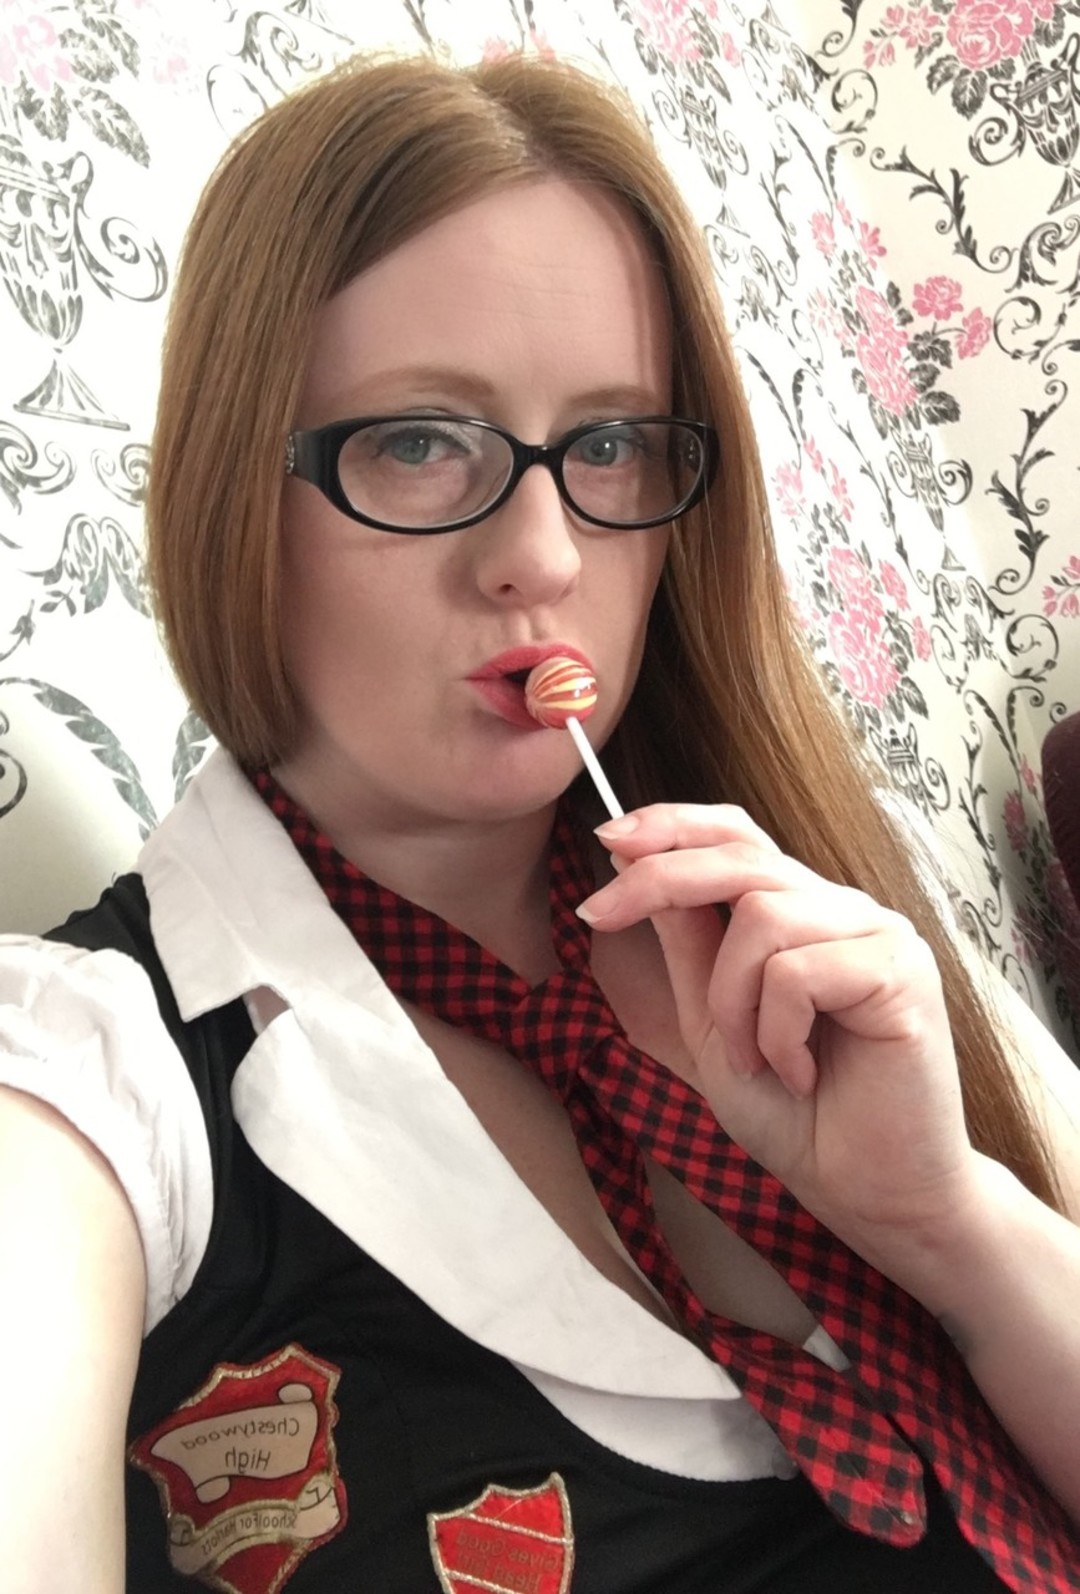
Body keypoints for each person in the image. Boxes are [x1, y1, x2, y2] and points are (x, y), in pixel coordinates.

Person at [1, 50, 1078, 1594]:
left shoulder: (831, 904)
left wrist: (948, 1219)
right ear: (238, 487)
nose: (544, 554)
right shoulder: (90, 1084)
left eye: (610, 446)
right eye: (419, 441)